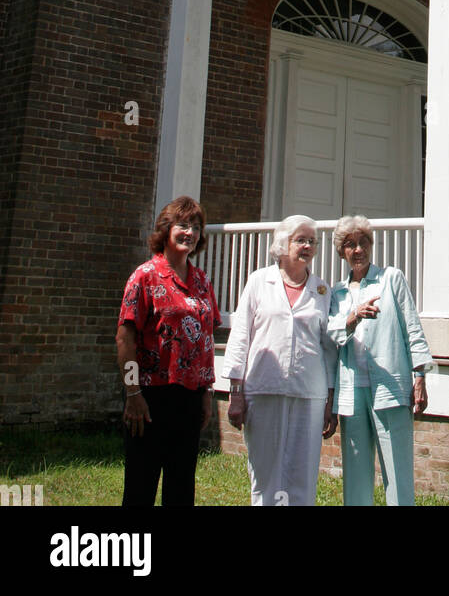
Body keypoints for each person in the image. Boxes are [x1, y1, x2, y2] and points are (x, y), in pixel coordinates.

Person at [224, 214, 337, 505]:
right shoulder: (259, 281)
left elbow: (328, 348)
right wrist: (235, 392)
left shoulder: (322, 291)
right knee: (265, 472)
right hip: (263, 388)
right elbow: (240, 336)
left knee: (302, 473)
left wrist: (330, 399)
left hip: (308, 393)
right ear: (283, 245)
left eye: (312, 241)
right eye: (300, 240)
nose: (308, 246)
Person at [116, 195, 219, 507]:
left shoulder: (201, 281)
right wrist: (132, 394)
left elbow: (206, 339)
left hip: (188, 398)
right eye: (183, 225)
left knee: (181, 487)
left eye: (196, 227)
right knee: (140, 488)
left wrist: (206, 392)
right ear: (166, 229)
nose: (190, 232)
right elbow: (125, 339)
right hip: (150, 398)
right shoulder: (145, 275)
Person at [328, 214, 433, 507]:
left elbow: (412, 326)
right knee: (356, 473)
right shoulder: (337, 293)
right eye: (350, 245)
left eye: (363, 243)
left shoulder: (390, 279)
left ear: (371, 246)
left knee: (398, 470)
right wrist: (353, 316)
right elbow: (332, 333)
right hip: (353, 391)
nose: (358, 250)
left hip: (390, 386)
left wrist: (420, 375)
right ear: (342, 252)